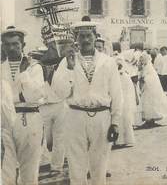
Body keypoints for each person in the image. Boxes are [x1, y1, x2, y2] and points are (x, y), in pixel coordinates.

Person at [51, 20, 122, 185]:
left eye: (89, 36)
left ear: (95, 37)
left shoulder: (108, 61)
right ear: (76, 38)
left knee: (100, 166)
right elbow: (59, 93)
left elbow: (117, 94)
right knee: (76, 167)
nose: (85, 40)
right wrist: (69, 68)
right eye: (81, 36)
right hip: (75, 116)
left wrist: (116, 121)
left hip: (102, 117)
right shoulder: (67, 61)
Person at [1, 26, 46, 185]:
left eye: (15, 44)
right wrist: (19, 96)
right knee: (5, 172)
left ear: (23, 45)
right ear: (2, 46)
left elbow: (35, 95)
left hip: (29, 120)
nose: (11, 48)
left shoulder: (34, 68)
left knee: (29, 172)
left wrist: (24, 73)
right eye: (7, 44)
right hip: (4, 122)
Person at [139, 53, 167, 128]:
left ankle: (150, 120)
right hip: (147, 88)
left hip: (151, 89)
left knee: (150, 104)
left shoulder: (149, 67)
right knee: (147, 103)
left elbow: (151, 78)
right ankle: (149, 120)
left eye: (142, 59)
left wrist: (143, 78)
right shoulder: (146, 66)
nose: (141, 60)